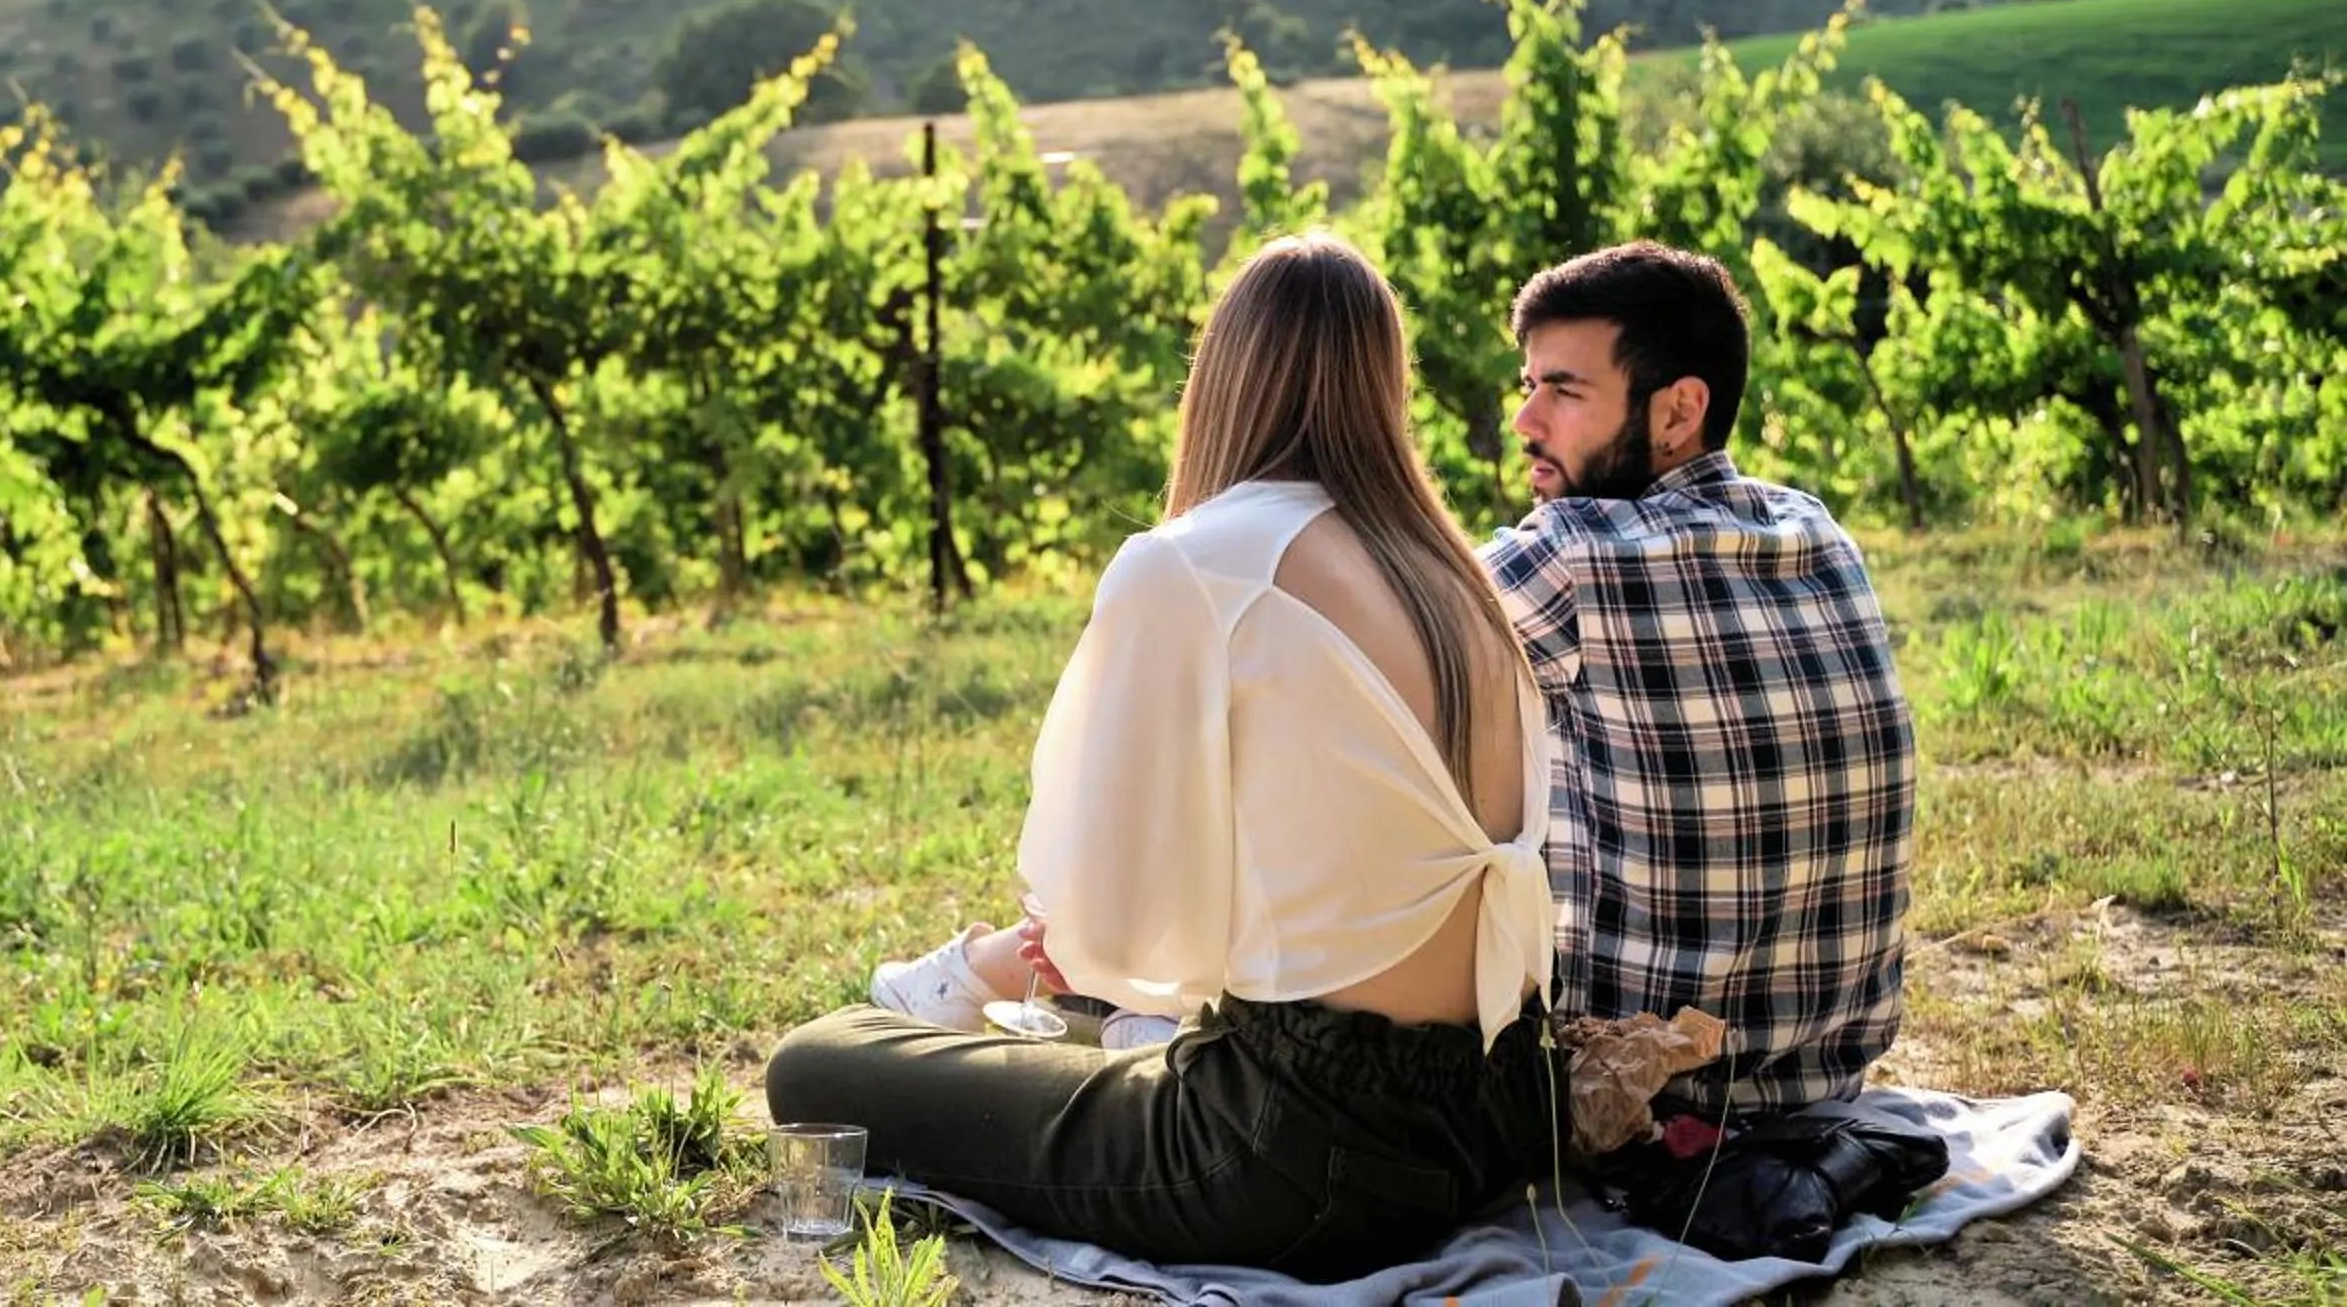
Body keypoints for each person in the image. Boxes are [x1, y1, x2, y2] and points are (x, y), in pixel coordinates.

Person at [766, 233, 1562, 1278]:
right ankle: (997, 994)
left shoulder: (1198, 562)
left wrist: (1092, 967)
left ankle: (962, 979)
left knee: (818, 1061)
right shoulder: (1458, 579)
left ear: (1221, 376)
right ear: (1387, 384)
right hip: (1498, 1115)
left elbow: (1098, 923)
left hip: (1295, 1153)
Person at [1482, 242, 1915, 1121]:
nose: (1527, 421)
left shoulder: (1571, 556)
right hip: (1820, 1083)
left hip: (1629, 1096)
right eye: (1528, 386)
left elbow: (1357, 639)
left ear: (1678, 411)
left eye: (1563, 391)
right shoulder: (1814, 530)